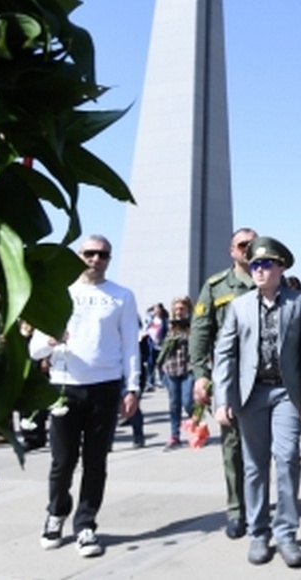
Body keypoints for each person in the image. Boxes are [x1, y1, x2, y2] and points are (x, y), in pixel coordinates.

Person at [213, 236, 301, 569]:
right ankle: (259, 534)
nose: (259, 270)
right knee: (254, 465)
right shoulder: (239, 306)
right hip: (251, 395)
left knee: (288, 457)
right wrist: (223, 398)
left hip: (285, 394)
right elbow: (225, 353)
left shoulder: (299, 302)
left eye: (266, 264)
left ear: (281, 267)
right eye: (255, 265)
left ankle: (287, 533)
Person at [28, 235, 140, 557]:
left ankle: (86, 524)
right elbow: (35, 349)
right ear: (79, 256)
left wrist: (131, 387)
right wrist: (50, 340)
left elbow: (130, 345)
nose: (95, 259)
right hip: (65, 385)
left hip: (104, 386)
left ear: (109, 258)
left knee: (95, 461)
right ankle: (56, 512)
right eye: (89, 253)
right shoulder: (60, 293)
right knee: (62, 461)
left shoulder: (122, 296)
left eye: (102, 254)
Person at [190, 226, 258, 539]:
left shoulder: (273, 281)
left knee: (263, 448)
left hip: (266, 380)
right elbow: (201, 332)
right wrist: (201, 374)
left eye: (253, 244)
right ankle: (236, 510)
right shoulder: (216, 286)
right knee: (232, 448)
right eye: (242, 245)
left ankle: (259, 507)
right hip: (230, 380)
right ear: (232, 250)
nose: (248, 248)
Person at [157, 295, 195, 449]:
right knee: (174, 405)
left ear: (187, 309)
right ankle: (174, 436)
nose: (179, 311)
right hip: (171, 369)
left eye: (182, 308)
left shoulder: (193, 325)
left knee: (187, 402)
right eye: (177, 308)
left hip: (188, 369)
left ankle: (196, 429)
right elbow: (159, 344)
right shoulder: (167, 326)